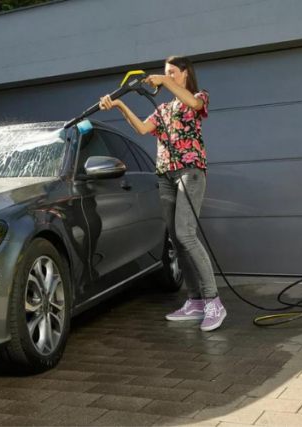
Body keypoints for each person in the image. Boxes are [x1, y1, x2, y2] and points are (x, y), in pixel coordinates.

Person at [98, 55, 227, 332]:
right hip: (166, 175)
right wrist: (119, 104)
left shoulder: (197, 97)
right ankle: (195, 302)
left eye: (170, 72)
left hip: (189, 172)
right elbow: (144, 128)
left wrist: (165, 81)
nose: (164, 76)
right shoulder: (164, 109)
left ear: (183, 74)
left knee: (187, 233)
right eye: (164, 72)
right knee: (177, 240)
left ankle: (213, 301)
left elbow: (194, 104)